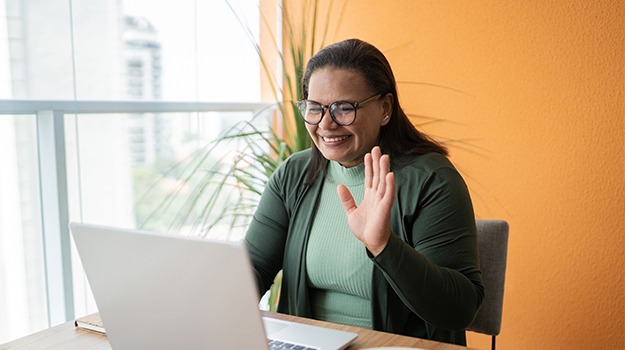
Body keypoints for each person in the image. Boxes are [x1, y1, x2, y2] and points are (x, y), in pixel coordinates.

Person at [244, 38, 483, 345]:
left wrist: (384, 245)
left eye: (344, 108)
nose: (326, 124)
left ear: (385, 108)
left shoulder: (432, 181)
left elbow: (459, 310)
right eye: (314, 108)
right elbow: (253, 269)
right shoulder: (293, 175)